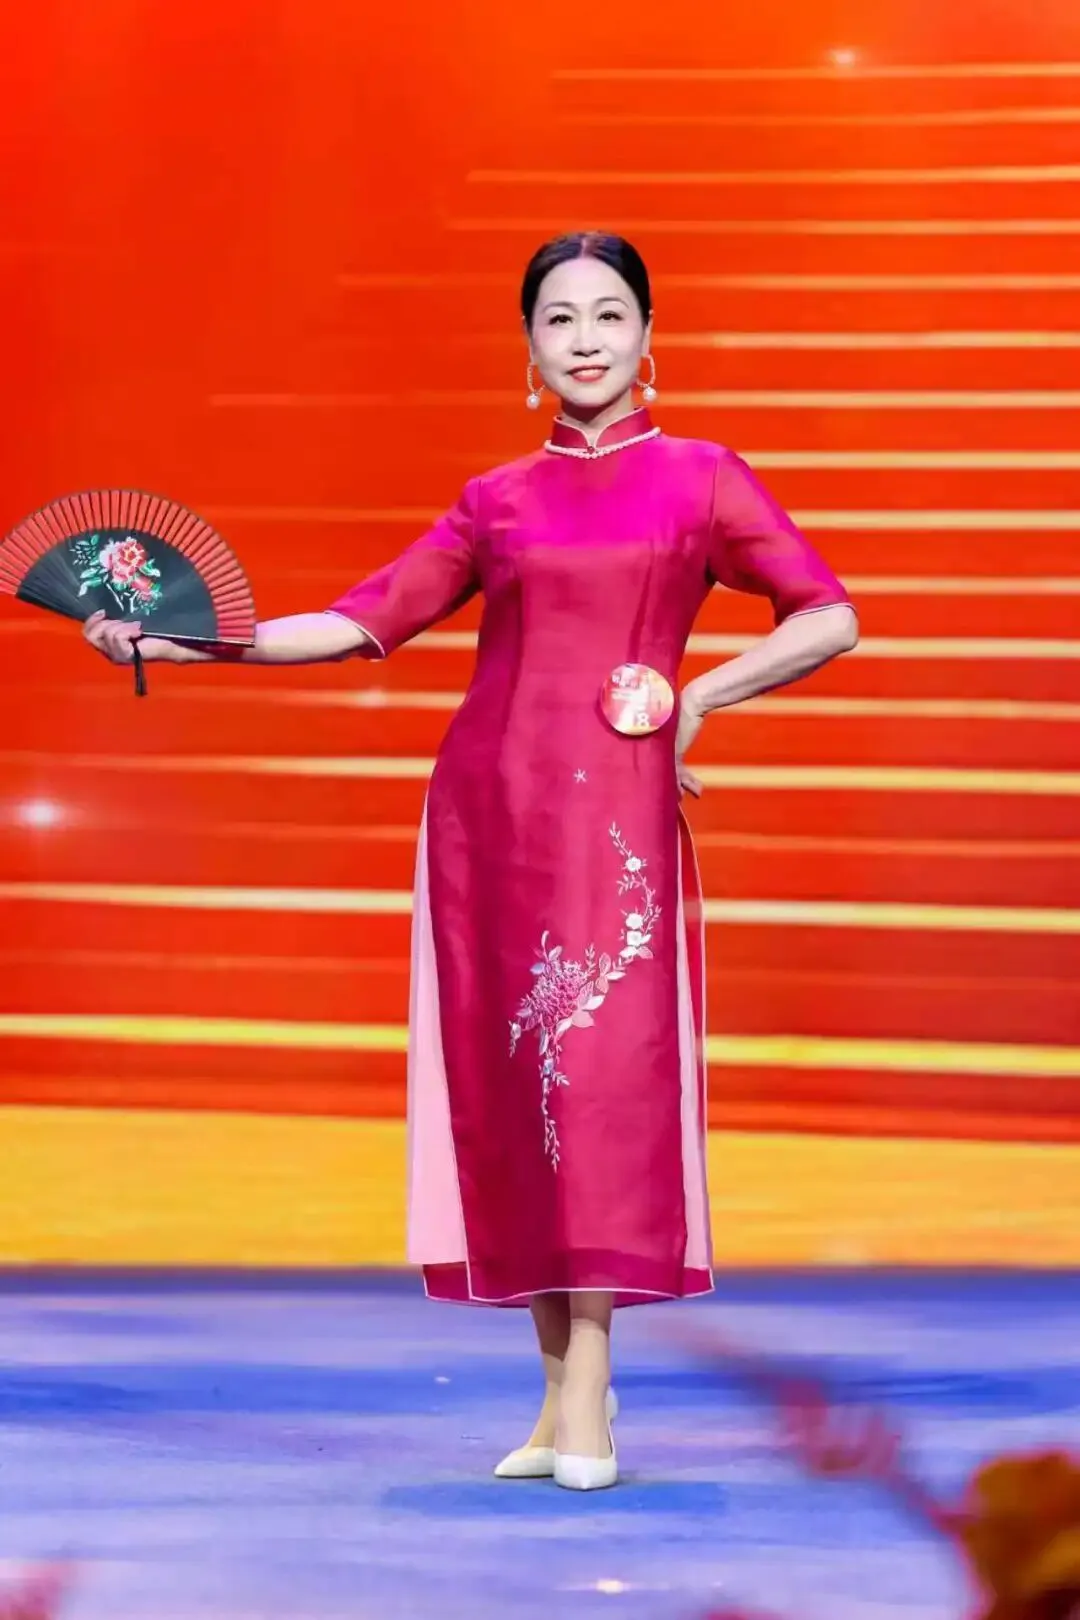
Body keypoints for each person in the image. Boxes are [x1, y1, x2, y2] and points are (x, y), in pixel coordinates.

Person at [85, 231, 858, 1491]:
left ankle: (592, 1388)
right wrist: (183, 642)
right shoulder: (494, 499)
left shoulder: (704, 479)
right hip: (487, 817)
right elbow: (360, 621)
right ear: (529, 349)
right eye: (560, 319)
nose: (587, 340)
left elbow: (829, 614)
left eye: (610, 315)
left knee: (600, 1082)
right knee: (516, 1092)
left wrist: (697, 697)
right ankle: (556, 1395)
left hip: (614, 820)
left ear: (649, 335)